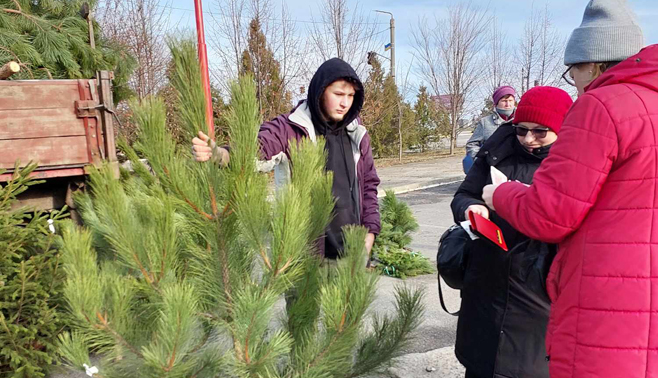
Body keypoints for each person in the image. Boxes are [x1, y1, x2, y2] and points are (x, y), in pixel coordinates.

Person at [481, 1, 656, 377]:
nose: (574, 81)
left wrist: (501, 195)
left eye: (572, 70)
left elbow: (549, 213)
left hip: (607, 303)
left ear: (592, 64)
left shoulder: (601, 105)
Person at [192, 58, 381, 261]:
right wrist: (221, 155)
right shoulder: (291, 128)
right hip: (305, 258)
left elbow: (369, 185)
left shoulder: (357, 134)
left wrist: (370, 233)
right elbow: (258, 148)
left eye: (351, 95)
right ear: (321, 91)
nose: (345, 103)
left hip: (351, 256)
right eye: (338, 94)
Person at [451, 86, 573, 378]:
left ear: (561, 128)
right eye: (521, 129)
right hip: (486, 281)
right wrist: (470, 209)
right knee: (482, 363)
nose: (528, 139)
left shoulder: (573, 163)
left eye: (540, 132)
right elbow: (463, 194)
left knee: (528, 367)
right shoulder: (497, 150)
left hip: (538, 290)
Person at [463, 86, 517, 173]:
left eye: (510, 100)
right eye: (503, 101)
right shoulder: (485, 122)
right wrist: (481, 159)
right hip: (492, 170)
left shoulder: (522, 120)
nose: (508, 104)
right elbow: (472, 144)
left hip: (516, 169)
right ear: (496, 103)